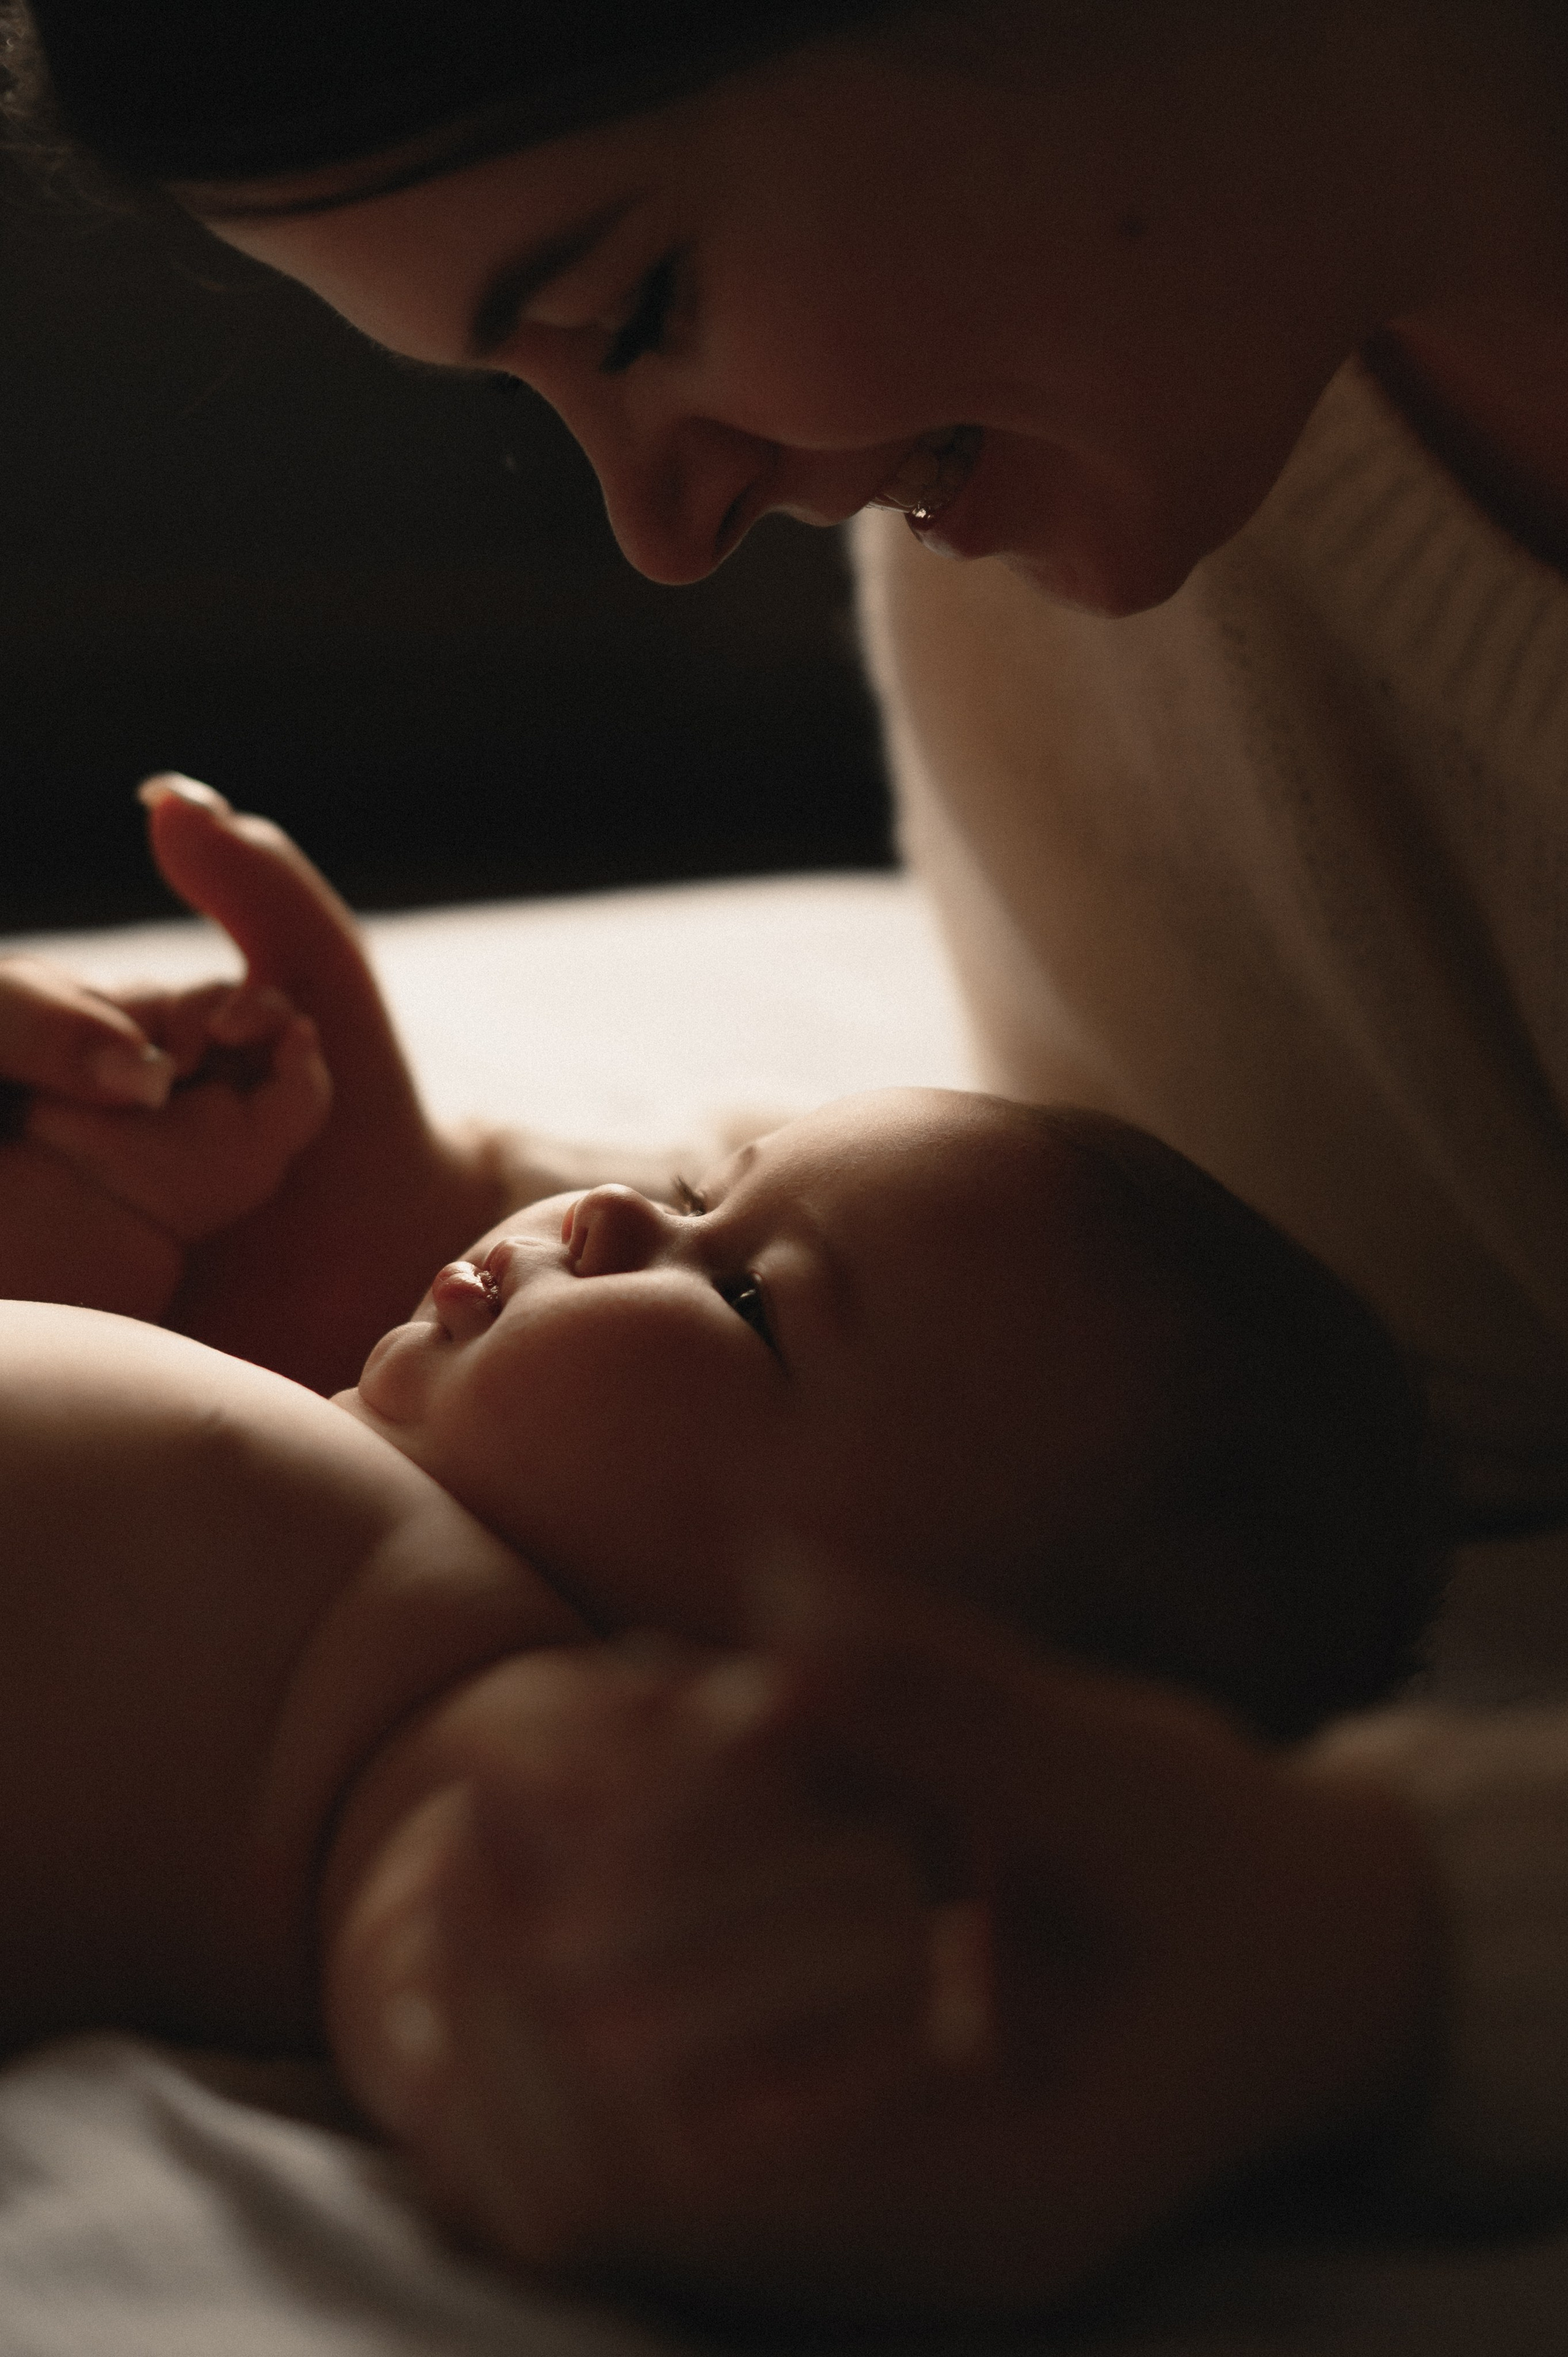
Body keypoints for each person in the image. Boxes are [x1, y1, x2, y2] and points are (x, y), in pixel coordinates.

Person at [4, 0, 1565, 2315]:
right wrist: (393, 1226)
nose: (665, 523)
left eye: (636, 302)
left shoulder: (480, 1723)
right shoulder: (1081, 473)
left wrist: (1343, 1926)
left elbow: (547, 1923)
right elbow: (955, 1308)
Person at [0, 788, 1436, 2317]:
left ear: (827, 1675)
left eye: (749, 1299)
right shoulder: (325, 1461)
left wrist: (555, 2023)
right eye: (702, 1190)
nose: (610, 1208)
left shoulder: (457, 1695)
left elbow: (497, 1947)